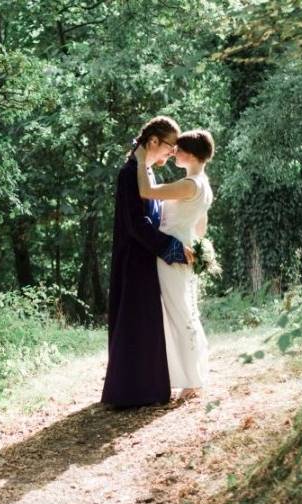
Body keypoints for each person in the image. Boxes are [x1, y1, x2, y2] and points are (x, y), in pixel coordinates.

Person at [100, 116, 191, 408]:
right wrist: (171, 247)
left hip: (146, 256)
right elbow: (137, 224)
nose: (172, 153)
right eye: (170, 147)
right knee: (135, 321)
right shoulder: (130, 173)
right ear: (153, 141)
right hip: (134, 259)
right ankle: (131, 391)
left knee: (146, 322)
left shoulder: (145, 171)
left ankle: (146, 388)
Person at [133, 129, 214, 401]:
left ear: (190, 154)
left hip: (173, 253)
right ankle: (195, 375)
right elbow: (201, 228)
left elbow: (146, 191)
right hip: (183, 248)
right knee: (186, 311)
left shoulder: (189, 184)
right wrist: (194, 244)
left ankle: (191, 380)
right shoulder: (204, 185)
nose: (173, 152)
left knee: (180, 314)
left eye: (178, 149)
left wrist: (141, 160)